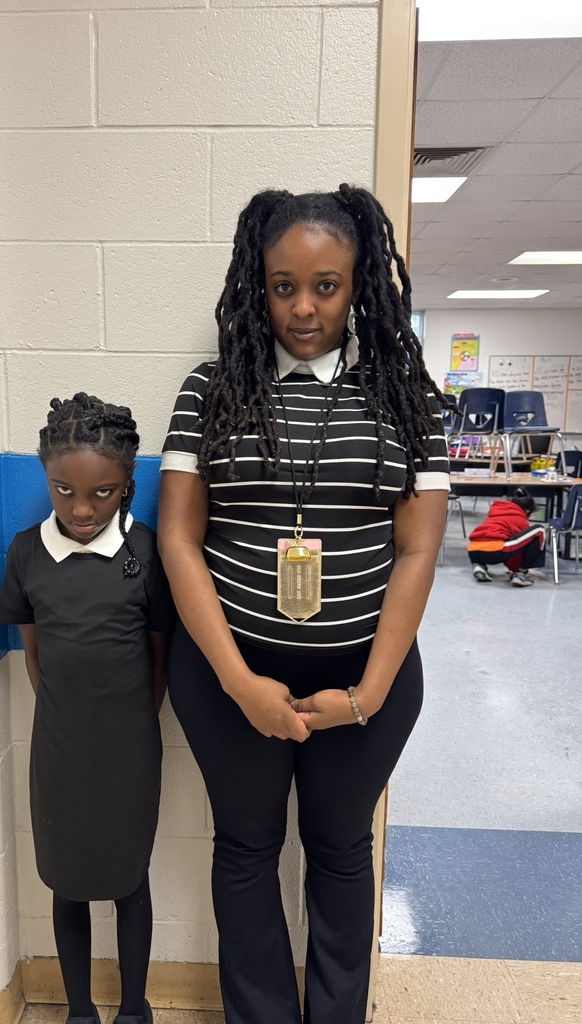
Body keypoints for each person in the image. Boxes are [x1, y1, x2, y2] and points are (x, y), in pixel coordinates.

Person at [158, 186, 450, 1024]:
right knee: (245, 850)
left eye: (327, 285)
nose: (304, 307)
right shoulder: (210, 389)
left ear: (359, 285)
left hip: (368, 680)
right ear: (259, 282)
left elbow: (420, 550)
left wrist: (366, 695)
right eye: (284, 285)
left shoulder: (404, 396)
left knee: (340, 849)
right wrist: (240, 682)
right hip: (225, 677)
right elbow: (180, 542)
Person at [0, 393, 174, 1024]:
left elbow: (157, 658)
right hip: (60, 750)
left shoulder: (148, 553)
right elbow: (35, 656)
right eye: (63, 489)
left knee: (130, 878)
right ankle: (78, 1011)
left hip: (129, 750)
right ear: (46, 479)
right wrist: (69, 718)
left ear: (127, 486)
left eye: (102, 494)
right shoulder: (25, 553)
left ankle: (133, 1008)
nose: (80, 508)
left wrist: (131, 725)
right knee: (64, 879)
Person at [467, 487, 545, 587]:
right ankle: (520, 574)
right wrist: (516, 569)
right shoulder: (520, 520)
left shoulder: (495, 514)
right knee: (539, 530)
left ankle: (479, 566)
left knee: (499, 541)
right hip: (497, 550)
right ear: (527, 511)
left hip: (473, 550)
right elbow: (517, 550)